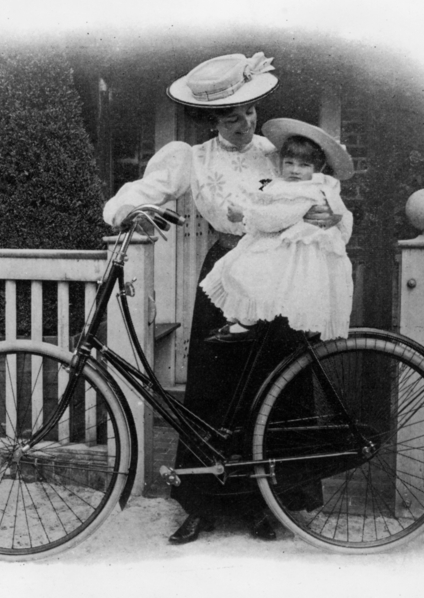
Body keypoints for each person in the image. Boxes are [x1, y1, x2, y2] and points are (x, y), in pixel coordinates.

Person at [102, 53, 352, 545]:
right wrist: (124, 212)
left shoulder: (277, 152)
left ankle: (270, 504)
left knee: (276, 386)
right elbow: (143, 191)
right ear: (209, 119)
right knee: (213, 389)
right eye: (230, 117)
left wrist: (330, 219)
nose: (244, 125)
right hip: (225, 273)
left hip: (278, 274)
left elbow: (327, 200)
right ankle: (202, 504)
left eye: (250, 113)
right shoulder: (191, 159)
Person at [200, 118, 354, 343]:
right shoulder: (284, 182)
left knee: (249, 273)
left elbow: (278, 217)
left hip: (299, 254)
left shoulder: (308, 190)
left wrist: (245, 215)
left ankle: (252, 322)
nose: (294, 170)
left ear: (318, 168)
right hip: (284, 248)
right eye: (289, 163)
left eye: (304, 165)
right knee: (238, 269)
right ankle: (245, 320)